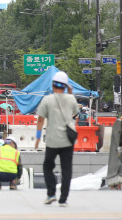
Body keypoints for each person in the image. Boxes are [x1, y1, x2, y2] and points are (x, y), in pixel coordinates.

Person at [34, 71, 78, 207]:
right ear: (65, 86)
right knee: (66, 169)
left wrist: (37, 137)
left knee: (48, 166)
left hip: (52, 140)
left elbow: (40, 119)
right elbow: (75, 114)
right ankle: (63, 199)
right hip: (68, 140)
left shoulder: (47, 100)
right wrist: (70, 93)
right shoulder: (71, 99)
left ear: (53, 85)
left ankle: (51, 193)